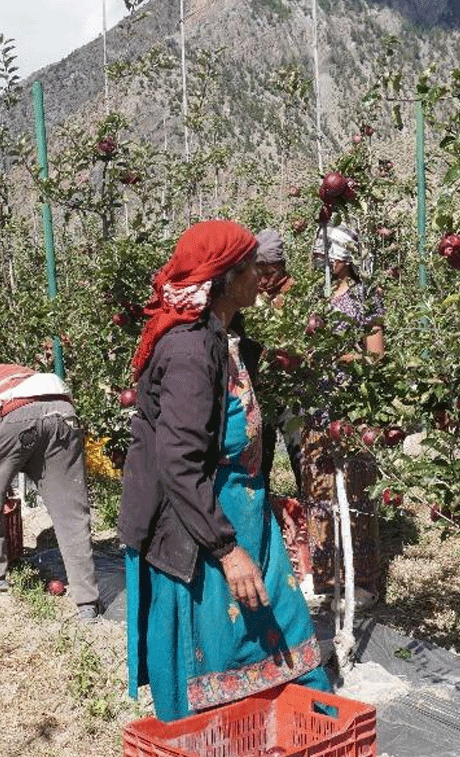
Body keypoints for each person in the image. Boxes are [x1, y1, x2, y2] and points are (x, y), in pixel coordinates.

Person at [118, 220, 330, 723]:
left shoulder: (224, 334)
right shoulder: (190, 350)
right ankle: (218, 733)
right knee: (210, 649)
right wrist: (227, 550)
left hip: (245, 516)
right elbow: (179, 462)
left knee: (284, 629)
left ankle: (299, 725)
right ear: (226, 279)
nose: (262, 276)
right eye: (252, 268)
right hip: (199, 529)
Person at [299, 224, 384, 601]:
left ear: (346, 259)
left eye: (329, 257)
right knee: (317, 491)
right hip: (316, 407)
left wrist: (342, 357)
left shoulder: (365, 297)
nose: (324, 264)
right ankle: (324, 575)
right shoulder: (315, 298)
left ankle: (362, 580)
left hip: (351, 407)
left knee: (356, 491)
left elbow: (376, 354)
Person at [0, 364, 101, 620]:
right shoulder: (16, 372)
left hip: (17, 413)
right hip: (63, 411)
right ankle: (87, 606)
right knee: (72, 514)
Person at [253, 228, 302, 494]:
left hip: (293, 392)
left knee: (301, 453)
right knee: (260, 458)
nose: (261, 280)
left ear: (281, 266)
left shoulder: (296, 296)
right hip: (262, 391)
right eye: (257, 273)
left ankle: (312, 514)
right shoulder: (254, 298)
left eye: (267, 273)